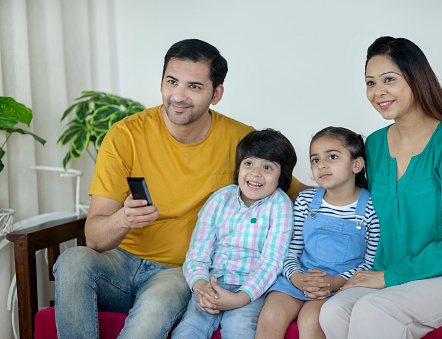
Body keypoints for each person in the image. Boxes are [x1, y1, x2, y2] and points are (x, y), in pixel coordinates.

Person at [53, 39, 305, 338]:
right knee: (72, 260)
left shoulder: (240, 141)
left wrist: (351, 192)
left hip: (179, 272)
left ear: (217, 93)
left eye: (195, 86)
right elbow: (94, 238)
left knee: (156, 305)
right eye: (172, 82)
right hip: (119, 264)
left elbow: (294, 190)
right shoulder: (126, 135)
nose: (179, 96)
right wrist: (124, 218)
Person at [319, 36, 442, 339]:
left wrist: (390, 277)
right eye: (370, 83)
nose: (378, 92)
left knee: (373, 309)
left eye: (389, 79)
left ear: (416, 78)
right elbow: (347, 194)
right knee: (333, 310)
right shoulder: (374, 145)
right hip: (397, 277)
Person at [255, 127, 380, 339]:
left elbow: (371, 263)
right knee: (271, 315)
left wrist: (336, 282)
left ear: (356, 164)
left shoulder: (371, 207)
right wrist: (297, 278)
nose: (321, 164)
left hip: (341, 284)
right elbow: (290, 251)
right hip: (299, 277)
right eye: (315, 160)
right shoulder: (305, 201)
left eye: (332, 156)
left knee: (312, 320)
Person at [171, 129, 297, 338]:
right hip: (212, 282)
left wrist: (241, 297)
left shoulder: (280, 205)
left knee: (239, 329)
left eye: (267, 167)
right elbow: (197, 252)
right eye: (249, 163)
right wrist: (200, 285)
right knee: (188, 329)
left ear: (281, 176)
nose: (255, 173)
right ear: (238, 167)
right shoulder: (220, 199)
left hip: (251, 288)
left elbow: (272, 262)